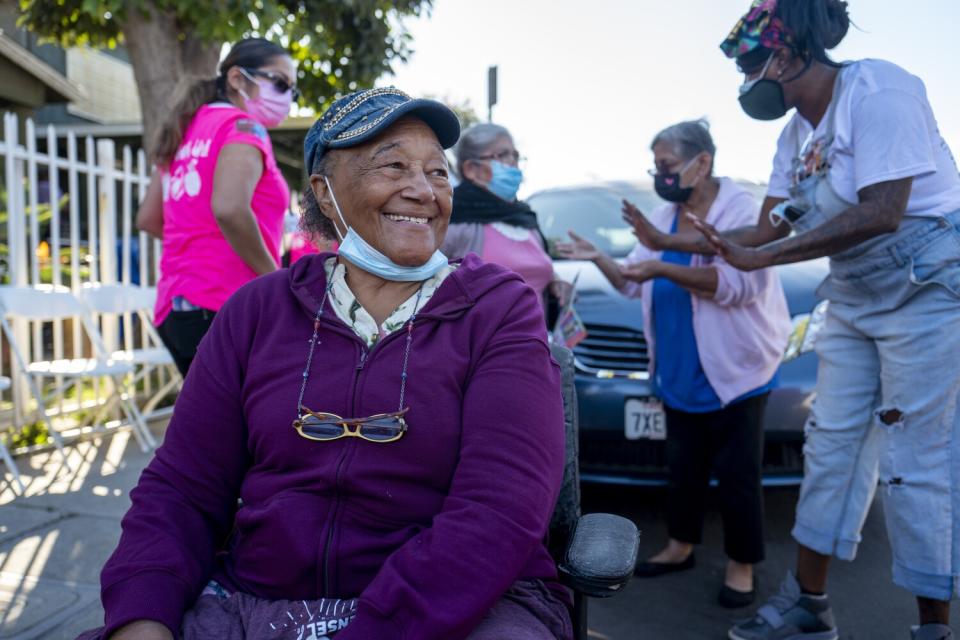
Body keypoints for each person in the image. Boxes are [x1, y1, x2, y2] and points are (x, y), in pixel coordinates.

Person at [77, 88, 572, 640]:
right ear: (326, 193)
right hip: (259, 598)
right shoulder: (258, 310)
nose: (422, 190)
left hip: (465, 604)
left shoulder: (497, 307)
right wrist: (143, 616)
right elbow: (183, 488)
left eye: (436, 172)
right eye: (393, 166)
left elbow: (500, 509)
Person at [625, 2, 960, 638]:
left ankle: (933, 626)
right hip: (857, 292)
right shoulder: (794, 139)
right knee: (829, 447)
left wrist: (760, 254)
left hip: (926, 284)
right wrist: (680, 242)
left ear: (789, 52)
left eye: (752, 63)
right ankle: (810, 606)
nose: (747, 81)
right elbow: (754, 230)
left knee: (917, 457)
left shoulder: (878, 89)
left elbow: (884, 210)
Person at [556, 119, 790, 609]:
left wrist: (664, 265)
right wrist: (600, 255)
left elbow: (741, 286)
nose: (661, 175)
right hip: (678, 370)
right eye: (656, 167)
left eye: (666, 166)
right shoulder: (664, 214)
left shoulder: (742, 210)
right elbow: (630, 282)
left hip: (735, 370)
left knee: (738, 477)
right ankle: (680, 546)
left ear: (700, 163)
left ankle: (741, 565)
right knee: (682, 469)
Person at [136, 38, 296, 376]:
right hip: (225, 305)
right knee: (244, 425)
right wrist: (277, 283)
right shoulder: (242, 127)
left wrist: (199, 245)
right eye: (280, 83)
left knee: (208, 425)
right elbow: (230, 208)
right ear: (237, 78)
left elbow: (149, 219)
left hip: (175, 308)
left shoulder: (181, 130)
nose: (287, 98)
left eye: (291, 91)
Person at [441, 123, 572, 315]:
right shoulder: (453, 218)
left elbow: (535, 271)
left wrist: (554, 282)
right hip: (481, 343)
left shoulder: (525, 218)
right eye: (503, 155)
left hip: (537, 342)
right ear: (471, 169)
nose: (513, 163)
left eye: (515, 155)